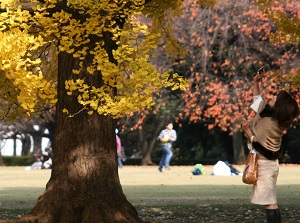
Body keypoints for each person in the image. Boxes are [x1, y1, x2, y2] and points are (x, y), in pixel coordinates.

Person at [241, 66, 299, 223]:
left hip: (265, 165)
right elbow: (257, 100)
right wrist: (256, 82)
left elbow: (259, 144)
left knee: (269, 202)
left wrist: (247, 130)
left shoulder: (269, 123)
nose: (272, 97)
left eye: (275, 98)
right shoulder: (270, 116)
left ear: (279, 106)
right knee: (271, 201)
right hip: (269, 165)